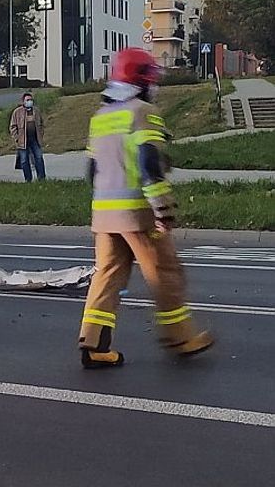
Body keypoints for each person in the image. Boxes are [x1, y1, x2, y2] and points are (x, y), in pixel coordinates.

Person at [78, 48, 213, 369]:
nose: (155, 86)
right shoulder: (143, 112)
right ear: (142, 81)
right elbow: (149, 164)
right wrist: (162, 209)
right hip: (139, 214)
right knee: (165, 273)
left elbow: (91, 171)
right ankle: (180, 338)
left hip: (104, 215)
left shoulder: (100, 117)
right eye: (152, 79)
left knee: (106, 277)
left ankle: (94, 343)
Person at [9, 92, 46, 182]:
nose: (30, 101)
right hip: (22, 140)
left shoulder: (36, 111)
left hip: (35, 139)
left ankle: (41, 178)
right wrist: (17, 137)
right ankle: (28, 179)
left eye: (31, 100)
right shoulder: (17, 112)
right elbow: (12, 126)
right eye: (27, 100)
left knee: (39, 158)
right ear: (23, 101)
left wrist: (40, 134)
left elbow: (41, 124)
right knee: (24, 161)